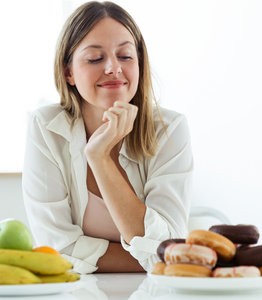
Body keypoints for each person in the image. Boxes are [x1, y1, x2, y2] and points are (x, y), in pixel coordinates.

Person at [22, 1, 193, 274]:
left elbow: (167, 247)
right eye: (95, 58)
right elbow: (56, 248)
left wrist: (100, 158)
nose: (114, 68)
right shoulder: (45, 127)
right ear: (68, 72)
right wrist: (148, 260)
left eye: (125, 56)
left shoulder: (169, 128)